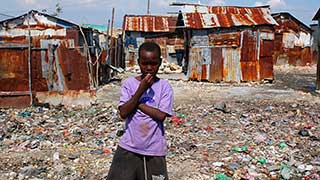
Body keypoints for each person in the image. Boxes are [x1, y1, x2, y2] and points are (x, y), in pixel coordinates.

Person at [107, 42, 174, 180]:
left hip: (155, 149)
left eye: (153, 63)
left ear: (160, 62)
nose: (149, 68)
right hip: (129, 146)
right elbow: (123, 113)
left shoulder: (164, 86)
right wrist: (140, 90)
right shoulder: (129, 84)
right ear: (138, 62)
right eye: (145, 63)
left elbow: (161, 115)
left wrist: (136, 103)